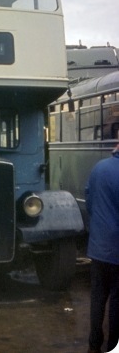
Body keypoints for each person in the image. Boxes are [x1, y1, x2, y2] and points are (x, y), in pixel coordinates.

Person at [85, 144, 119, 353]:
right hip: (117, 250)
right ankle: (113, 346)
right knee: (117, 300)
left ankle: (94, 344)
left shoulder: (99, 168)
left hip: (98, 247)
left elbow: (90, 202)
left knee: (98, 297)